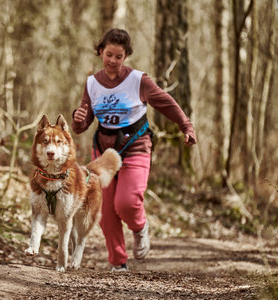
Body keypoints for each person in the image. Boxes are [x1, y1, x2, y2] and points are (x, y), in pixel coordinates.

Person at [71, 28, 196, 271]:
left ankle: (140, 227)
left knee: (126, 203)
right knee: (106, 212)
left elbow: (166, 103)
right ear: (100, 52)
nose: (113, 61)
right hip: (104, 154)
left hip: (135, 147)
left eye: (119, 57)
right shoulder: (92, 84)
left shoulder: (138, 80)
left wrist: (186, 126)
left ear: (126, 56)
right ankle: (118, 264)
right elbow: (81, 125)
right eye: (109, 55)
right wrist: (78, 118)